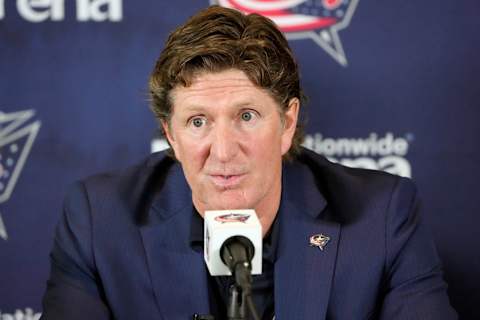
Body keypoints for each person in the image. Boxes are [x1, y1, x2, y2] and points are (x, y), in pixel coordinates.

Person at [40, 5, 457, 320]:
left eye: (246, 116)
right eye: (198, 121)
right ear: (171, 135)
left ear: (287, 123)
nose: (223, 152)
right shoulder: (99, 220)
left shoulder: (381, 218)